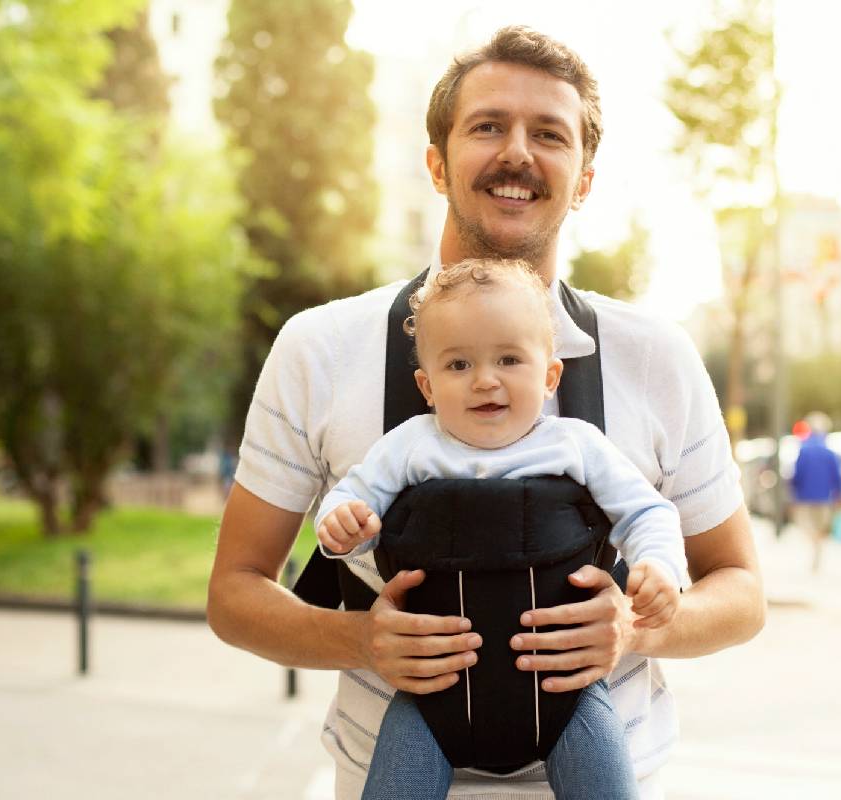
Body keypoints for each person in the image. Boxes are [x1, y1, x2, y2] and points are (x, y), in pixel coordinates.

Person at [207, 26, 765, 799]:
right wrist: (363, 640)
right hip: (390, 766)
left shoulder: (657, 356)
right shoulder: (321, 348)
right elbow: (234, 594)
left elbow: (740, 590)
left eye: (550, 134)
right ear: (435, 163)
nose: (518, 153)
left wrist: (638, 627)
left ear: (585, 178)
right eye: (487, 126)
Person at [317, 258, 686, 799]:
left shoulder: (575, 444)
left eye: (509, 359)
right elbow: (350, 503)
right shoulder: (412, 445)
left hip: (567, 693)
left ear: (550, 374)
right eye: (459, 364)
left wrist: (659, 567)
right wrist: (345, 525)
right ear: (427, 385)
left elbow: (647, 512)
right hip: (431, 696)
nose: (486, 379)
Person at [788, 412, 841, 573]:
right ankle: (817, 548)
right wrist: (840, 494)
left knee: (806, 527)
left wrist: (793, 493)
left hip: (805, 497)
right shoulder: (829, 452)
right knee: (821, 527)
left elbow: (797, 474)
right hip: (824, 497)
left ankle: (814, 546)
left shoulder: (804, 450)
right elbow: (837, 477)